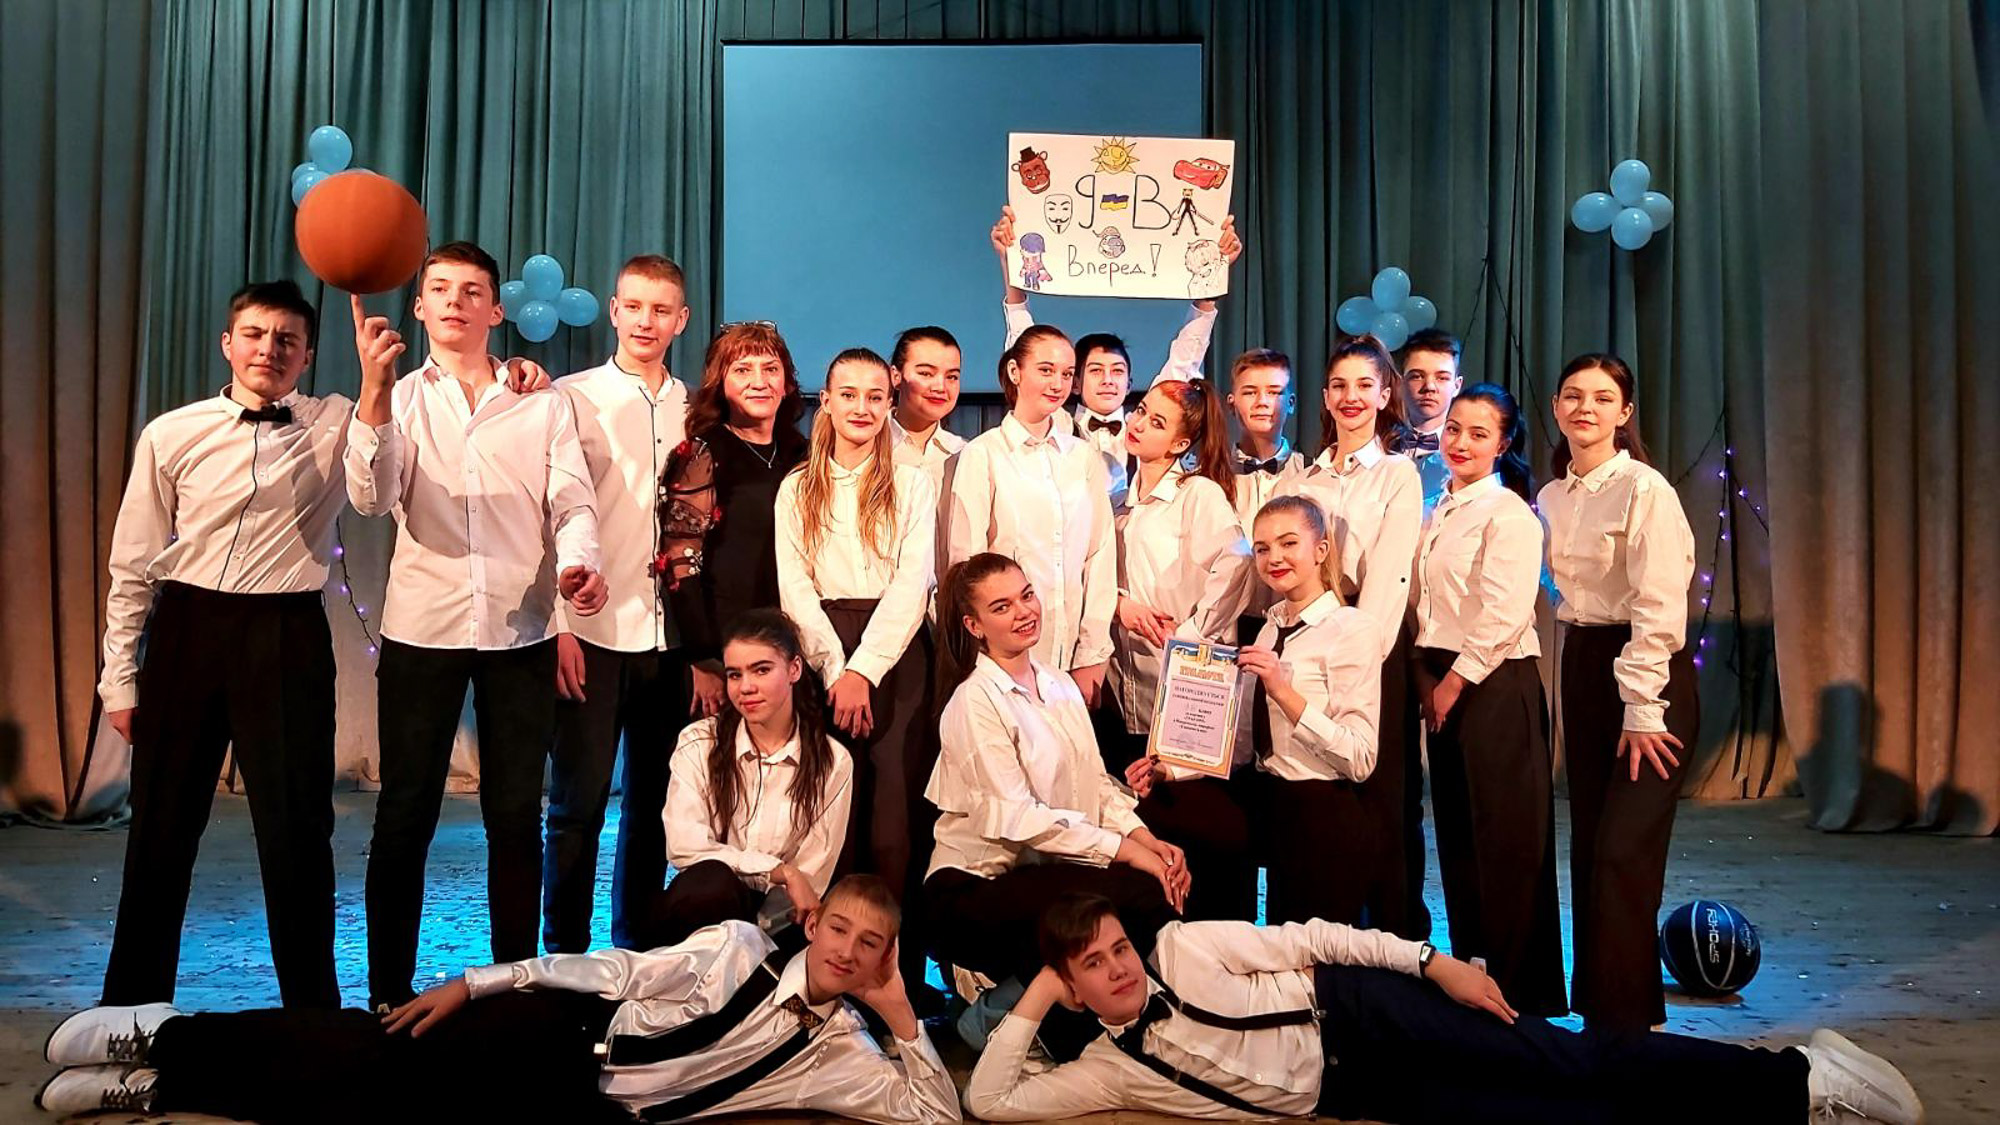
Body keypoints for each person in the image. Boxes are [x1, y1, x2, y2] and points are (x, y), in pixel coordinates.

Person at [37, 876, 963, 1124]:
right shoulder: (739, 946)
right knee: (372, 1045)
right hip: (561, 1030)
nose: (845, 950)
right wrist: (477, 980)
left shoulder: (842, 1053)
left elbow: (935, 1114)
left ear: (882, 958)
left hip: (593, 1109)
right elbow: (611, 971)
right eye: (839, 928)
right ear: (816, 921)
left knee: (370, 1112)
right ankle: (169, 1033)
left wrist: (899, 1015)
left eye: (868, 944)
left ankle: (163, 1090)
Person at [960, 893, 1924, 1124]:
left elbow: (1318, 937)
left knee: (1568, 1059)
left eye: (1117, 948)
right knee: (1561, 1114)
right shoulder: (1108, 1069)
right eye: (1093, 966)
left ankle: (1799, 1077)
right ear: (1072, 986)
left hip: (1363, 1007)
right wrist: (1041, 988)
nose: (1119, 969)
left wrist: (1435, 963)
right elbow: (989, 1101)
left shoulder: (1179, 946)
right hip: (1359, 1089)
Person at [346, 242, 606, 1011]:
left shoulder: (541, 401)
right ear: (420, 306)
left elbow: (572, 500)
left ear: (497, 309)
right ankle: (388, 995)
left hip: (519, 629)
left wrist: (579, 565)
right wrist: (374, 394)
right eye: (440, 289)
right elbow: (370, 498)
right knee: (405, 811)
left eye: (471, 291)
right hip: (421, 629)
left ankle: (512, 990)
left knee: (515, 816)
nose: (455, 301)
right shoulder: (399, 398)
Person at [95, 281, 348, 1009]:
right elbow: (133, 564)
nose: (270, 349)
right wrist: (120, 678)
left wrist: (516, 370)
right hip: (189, 630)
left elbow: (409, 416)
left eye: (287, 339)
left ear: (307, 355)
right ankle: (131, 1010)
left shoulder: (337, 423)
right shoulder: (170, 433)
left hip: (287, 633)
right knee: (160, 829)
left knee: (299, 831)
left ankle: (313, 1018)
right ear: (227, 344)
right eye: (256, 334)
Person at [922, 553, 1187, 1043]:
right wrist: (1126, 853)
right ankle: (995, 1014)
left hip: (1040, 871)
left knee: (1160, 880)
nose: (1024, 611)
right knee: (1130, 893)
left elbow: (1097, 785)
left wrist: (1148, 842)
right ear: (974, 626)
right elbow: (1021, 819)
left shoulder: (1059, 683)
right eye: (1001, 607)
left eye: (1026, 595)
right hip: (973, 886)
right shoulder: (974, 701)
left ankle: (1089, 1019)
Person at [1539, 354, 1699, 1033]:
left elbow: (1659, 603)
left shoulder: (1644, 489)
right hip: (1582, 664)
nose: (1587, 408)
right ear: (1556, 407)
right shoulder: (1550, 497)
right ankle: (1602, 1012)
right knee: (1589, 846)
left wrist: (1642, 706)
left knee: (1622, 852)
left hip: (1647, 674)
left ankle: (1632, 1024)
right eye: (1574, 396)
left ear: (1625, 413)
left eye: (1603, 398)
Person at [545, 253, 696, 953]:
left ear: (681, 320)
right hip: (592, 631)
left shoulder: (697, 408)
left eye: (660, 309)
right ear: (613, 310)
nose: (645, 321)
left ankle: (635, 949)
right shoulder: (569, 398)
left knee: (654, 808)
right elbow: (547, 515)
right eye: (633, 306)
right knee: (575, 808)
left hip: (671, 641)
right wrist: (558, 625)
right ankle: (565, 955)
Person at [775, 348, 939, 989]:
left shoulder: (912, 483)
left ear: (890, 401)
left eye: (876, 396)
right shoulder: (797, 488)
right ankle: (826, 974)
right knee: (831, 817)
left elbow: (912, 584)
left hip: (895, 656)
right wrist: (833, 669)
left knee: (893, 821)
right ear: (827, 400)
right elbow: (794, 589)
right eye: (849, 394)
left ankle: (894, 979)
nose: (862, 408)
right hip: (822, 653)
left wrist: (863, 672)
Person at [1414, 383, 1565, 1017]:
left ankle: (1523, 994)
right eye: (1454, 429)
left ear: (1503, 444)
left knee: (1507, 841)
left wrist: (1453, 683)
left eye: (1479, 434)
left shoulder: (1509, 514)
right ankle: (1476, 977)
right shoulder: (1435, 509)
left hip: (1495, 684)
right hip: (1443, 678)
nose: (1461, 443)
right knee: (1460, 837)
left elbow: (1504, 612)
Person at [1286, 336, 1427, 939]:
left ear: (1385, 394)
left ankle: (1394, 940)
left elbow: (1391, 577)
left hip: (1374, 644)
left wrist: (1361, 651)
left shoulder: (1397, 475)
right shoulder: (1305, 476)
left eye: (1365, 386)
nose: (1351, 397)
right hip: (1311, 645)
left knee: (1382, 797)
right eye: (1340, 386)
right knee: (1323, 790)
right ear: (1324, 397)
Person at [1106, 378, 1256, 921]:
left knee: (1205, 831)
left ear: (1180, 443)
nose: (1138, 423)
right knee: (1152, 831)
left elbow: (1238, 561)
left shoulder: (1197, 494)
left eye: (1156, 422)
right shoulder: (1118, 500)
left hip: (1190, 693)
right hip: (1128, 688)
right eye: (1141, 411)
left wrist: (1189, 639)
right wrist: (1119, 603)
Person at [989, 205, 1239, 500]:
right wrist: (1013, 264)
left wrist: (1211, 277)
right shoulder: (1057, 425)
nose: (1108, 380)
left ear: (1129, 384)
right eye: (1096, 370)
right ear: (1076, 383)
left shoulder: (1146, 427)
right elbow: (1026, 348)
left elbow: (1186, 358)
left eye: (1117, 371)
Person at [650, 610, 853, 950]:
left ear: (794, 669)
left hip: (782, 920)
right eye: (734, 674)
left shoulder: (832, 762)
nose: (746, 687)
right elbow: (685, 846)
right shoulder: (699, 743)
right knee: (711, 882)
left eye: (761, 670)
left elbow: (810, 879)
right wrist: (779, 870)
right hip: (706, 915)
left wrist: (757, 938)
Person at [945, 325, 1116, 705]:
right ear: (1015, 371)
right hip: (1003, 658)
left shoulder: (1082, 457)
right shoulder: (984, 453)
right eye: (1046, 370)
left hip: (1072, 654)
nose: (1057, 383)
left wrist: (1092, 653)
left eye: (1067, 374)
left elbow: (1100, 554)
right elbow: (966, 562)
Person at [1237, 496, 1382, 926]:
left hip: (1324, 814)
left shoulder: (1351, 629)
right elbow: (1247, 739)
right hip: (1273, 805)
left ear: (1320, 551)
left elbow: (1360, 758)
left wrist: (1284, 692)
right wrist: (1172, 769)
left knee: (1318, 955)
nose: (1274, 558)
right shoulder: (1269, 629)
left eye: (1288, 544)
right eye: (1262, 548)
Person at [656, 322, 810, 723]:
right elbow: (679, 560)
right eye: (743, 370)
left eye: (770, 369)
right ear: (720, 382)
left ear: (787, 383)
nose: (759, 381)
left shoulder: (802, 452)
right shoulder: (703, 452)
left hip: (795, 639)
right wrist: (703, 658)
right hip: (725, 646)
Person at [1218, 348, 1306, 645]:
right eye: (1250, 392)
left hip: (1293, 628)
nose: (1262, 402)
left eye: (1274, 392)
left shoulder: (1311, 475)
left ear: (1290, 403)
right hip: (1224, 627)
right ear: (1232, 403)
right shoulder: (1210, 478)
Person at [886, 325, 967, 490]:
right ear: (896, 376)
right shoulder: (867, 446)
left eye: (952, 377)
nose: (940, 387)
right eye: (926, 373)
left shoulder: (965, 453)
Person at [1400, 328, 1464, 516]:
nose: (1429, 387)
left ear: (1457, 386)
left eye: (1442, 378)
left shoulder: (1465, 452)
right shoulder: (1380, 444)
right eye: (1417, 376)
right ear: (1401, 383)